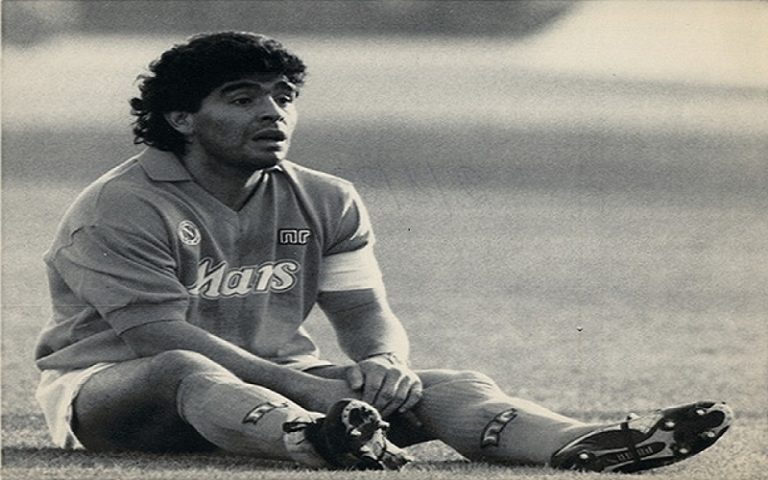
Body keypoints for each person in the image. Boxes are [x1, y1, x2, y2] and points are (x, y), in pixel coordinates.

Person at [34, 31, 732, 472]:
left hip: (285, 385)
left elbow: (364, 311)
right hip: (116, 394)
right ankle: (314, 439)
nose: (273, 112)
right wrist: (308, 389)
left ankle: (586, 443)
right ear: (182, 118)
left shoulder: (326, 196)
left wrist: (383, 364)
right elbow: (158, 336)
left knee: (447, 385)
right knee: (183, 367)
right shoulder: (121, 205)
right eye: (243, 99)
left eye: (283, 97)